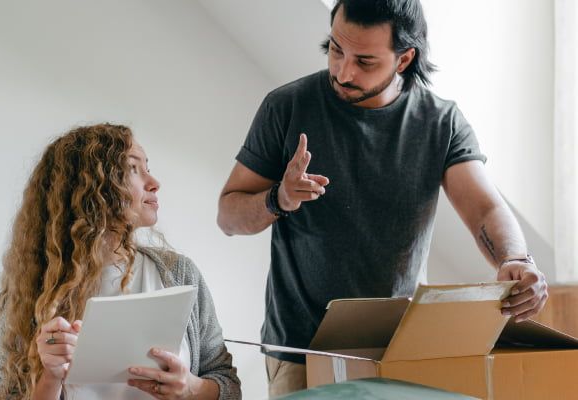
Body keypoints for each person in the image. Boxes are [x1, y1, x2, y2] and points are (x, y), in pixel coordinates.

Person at [216, 0, 548, 396]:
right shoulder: (286, 106)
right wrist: (279, 198)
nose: (343, 72)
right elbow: (228, 216)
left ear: (404, 58)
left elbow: (486, 208)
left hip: (399, 348)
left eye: (365, 61)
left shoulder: (440, 122)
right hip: (300, 351)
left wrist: (515, 259)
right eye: (335, 49)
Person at [0, 123, 241, 400]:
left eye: (147, 167)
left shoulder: (178, 273)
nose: (154, 182)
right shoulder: (31, 292)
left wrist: (190, 388)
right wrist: (51, 376)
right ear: (88, 188)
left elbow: (228, 386)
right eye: (133, 168)